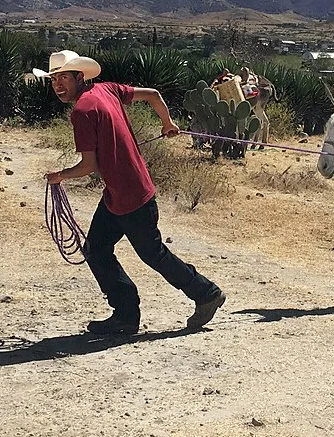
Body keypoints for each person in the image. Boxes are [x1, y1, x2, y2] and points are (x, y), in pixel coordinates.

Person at [37, 50, 227, 335]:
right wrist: (167, 123)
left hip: (129, 197)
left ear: (79, 77)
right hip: (123, 193)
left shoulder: (82, 111)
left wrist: (58, 176)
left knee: (151, 254)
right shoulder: (107, 89)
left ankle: (205, 293)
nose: (58, 85)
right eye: (54, 80)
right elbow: (152, 94)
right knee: (98, 250)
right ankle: (126, 315)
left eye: (64, 78)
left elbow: (89, 166)